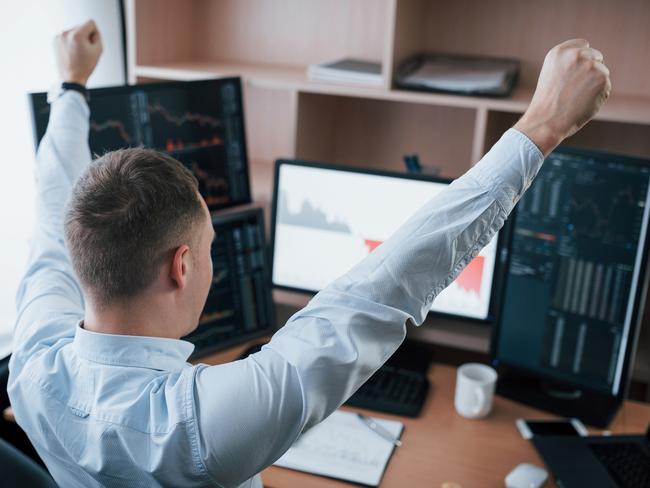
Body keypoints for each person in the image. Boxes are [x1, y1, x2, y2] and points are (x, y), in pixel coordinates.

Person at [8, 19, 610, 488]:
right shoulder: (201, 424)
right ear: (182, 265)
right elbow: (381, 288)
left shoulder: (32, 361)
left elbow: (51, 201)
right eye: (210, 245)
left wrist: (71, 85)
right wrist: (543, 125)